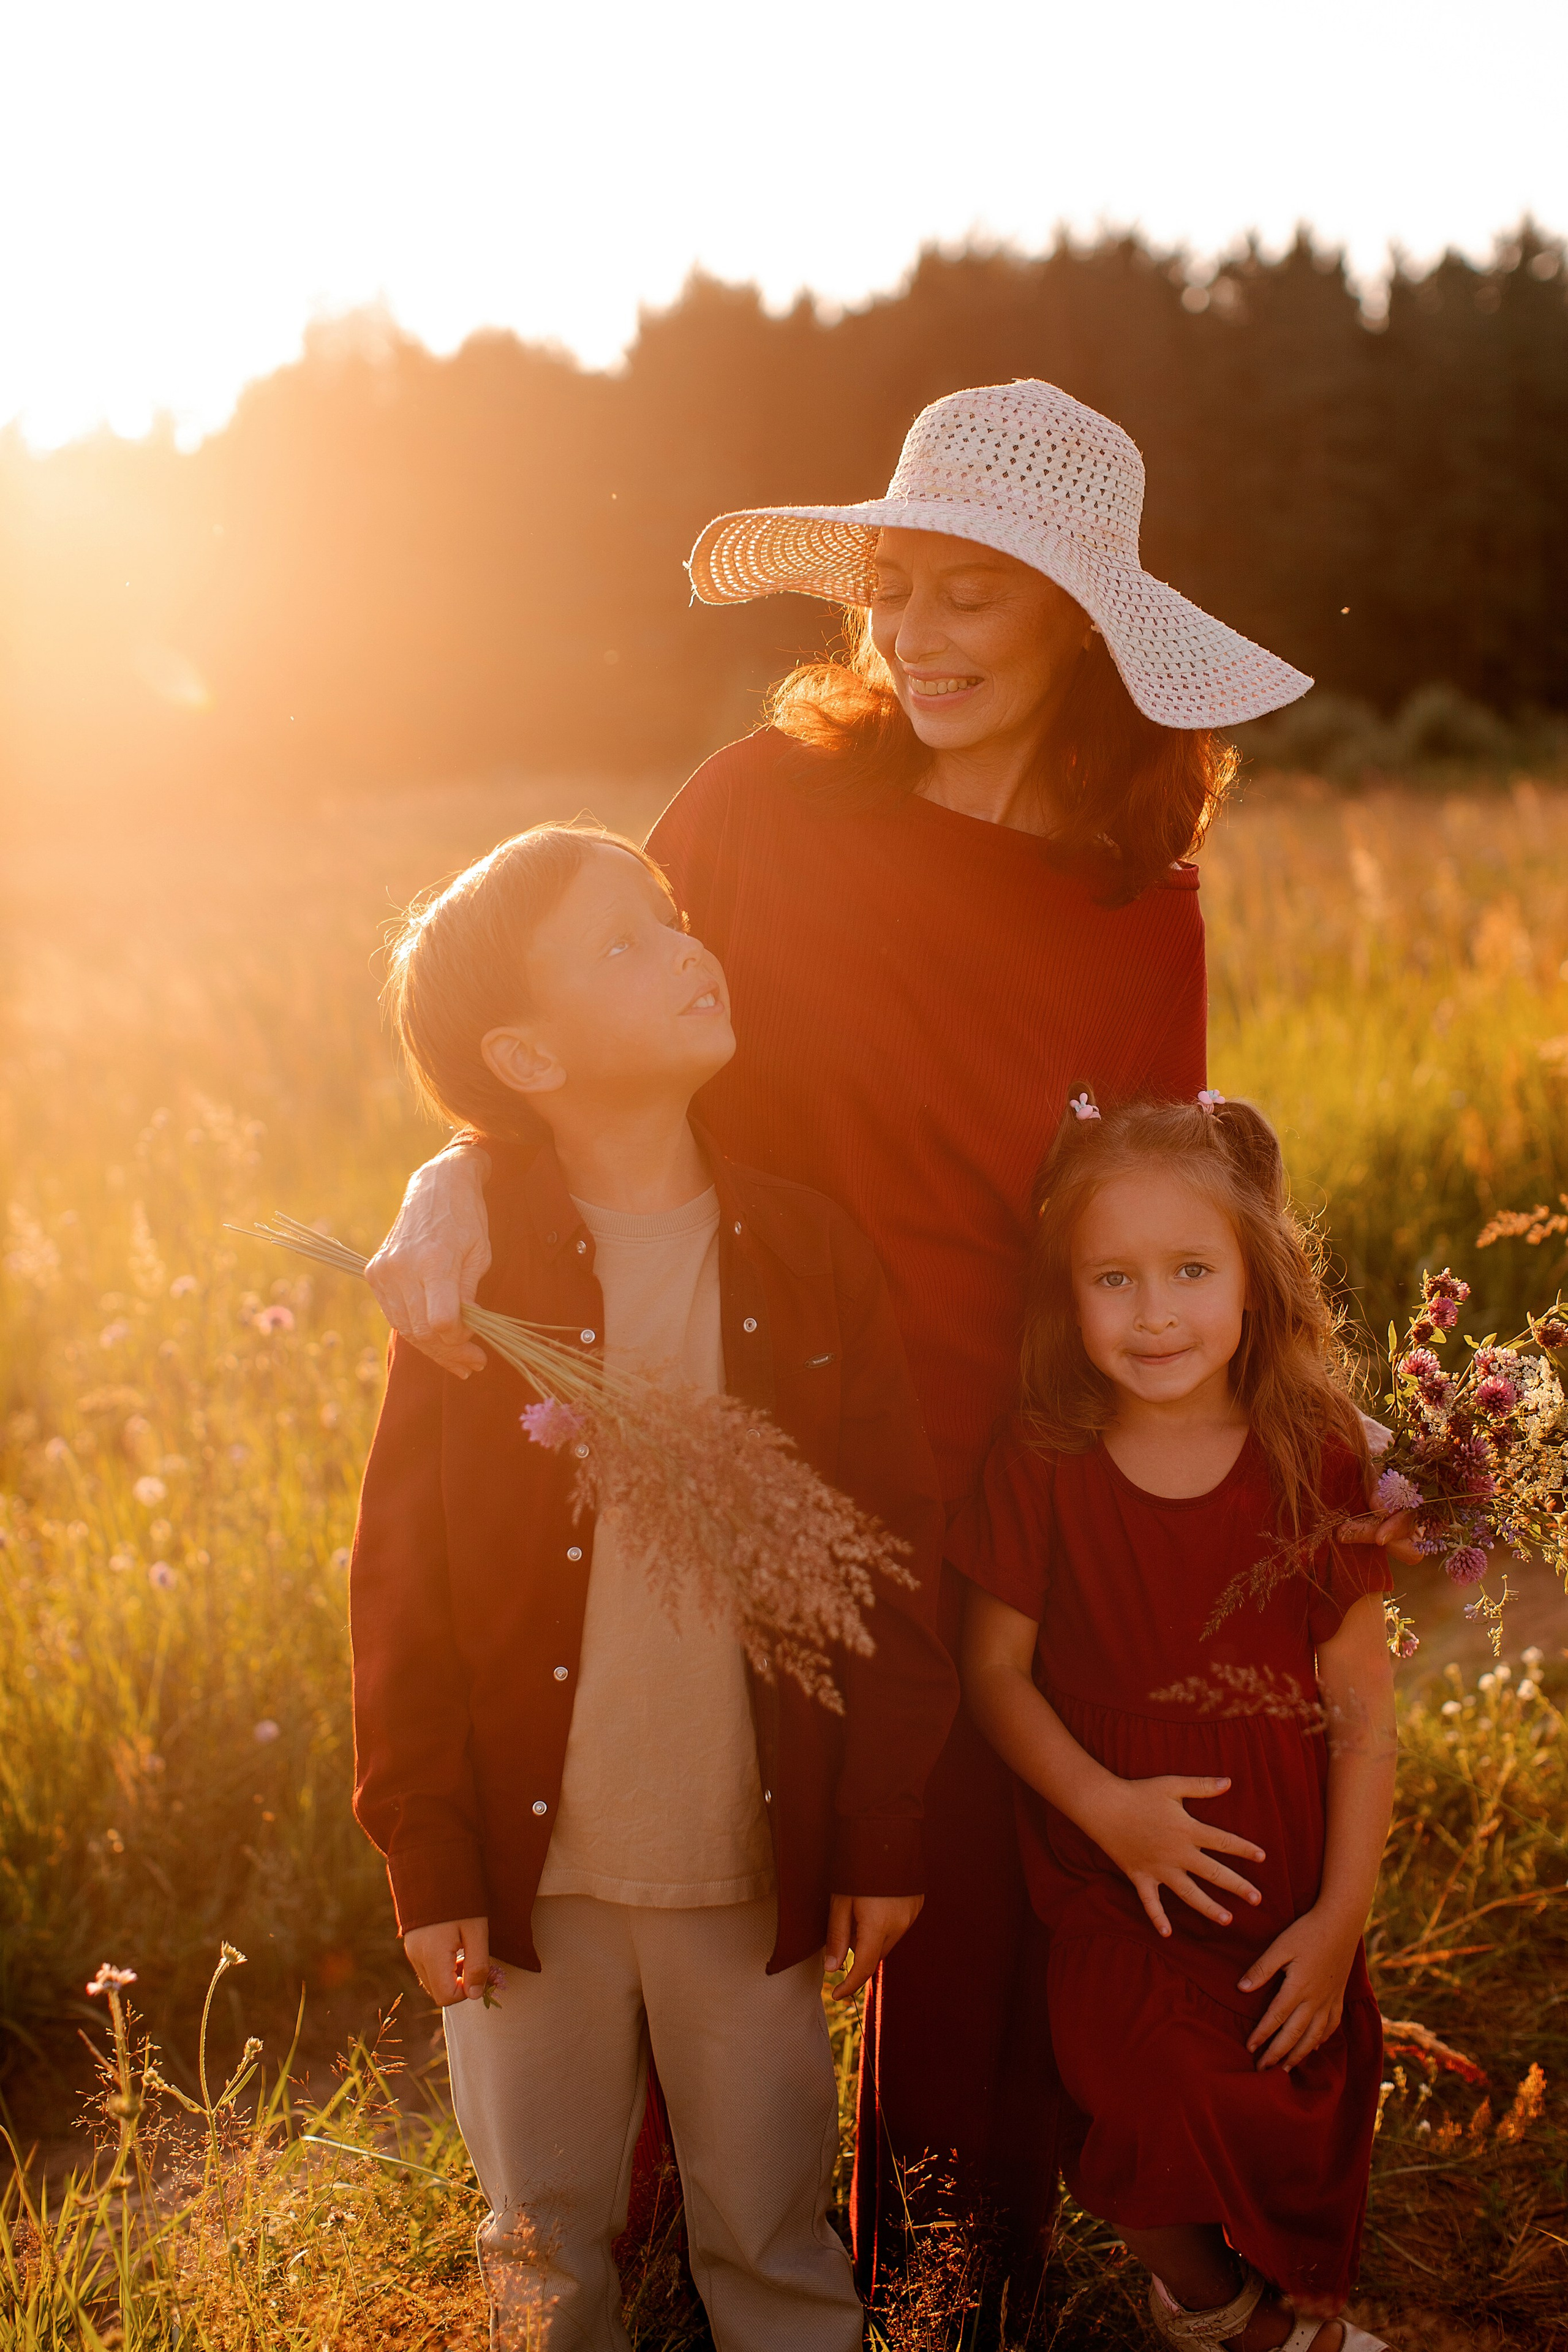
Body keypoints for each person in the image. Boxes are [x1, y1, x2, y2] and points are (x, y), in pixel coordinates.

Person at [364, 379, 1402, 2286]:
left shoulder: (1133, 894)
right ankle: (673, 2276)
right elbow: (561, 1018)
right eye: (892, 594)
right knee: (710, 1853)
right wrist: (453, 1185)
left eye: (968, 601)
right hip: (731, 1420)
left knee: (975, 1912)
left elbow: (1156, 1200)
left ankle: (945, 2285)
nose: (914, 639)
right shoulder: (763, 808)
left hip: (1000, 1449)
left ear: (1075, 619)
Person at [349, 822, 956, 2351]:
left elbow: (886, 1559)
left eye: (673, 917)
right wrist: (426, 1852)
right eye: (623, 942)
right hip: (526, 1874)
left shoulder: (810, 1254)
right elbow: (399, 1586)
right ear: (525, 1056)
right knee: (543, 2248)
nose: (687, 948)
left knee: (768, 2227)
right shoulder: (472, 1281)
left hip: (747, 1863)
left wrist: (878, 1824)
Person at [957, 1091, 1395, 2352]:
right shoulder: (1042, 1456)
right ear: (1067, 1296)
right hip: (1113, 1859)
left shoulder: (1309, 1451)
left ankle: (1291, 2295)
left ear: (1254, 1281)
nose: (1153, 1312)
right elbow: (993, 1673)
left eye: (1190, 1270)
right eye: (1113, 1278)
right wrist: (1104, 1808)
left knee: (1287, 2086)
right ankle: (1214, 2314)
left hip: (1282, 1851)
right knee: (1142, 2088)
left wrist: (1339, 1918)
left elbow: (1359, 1702)